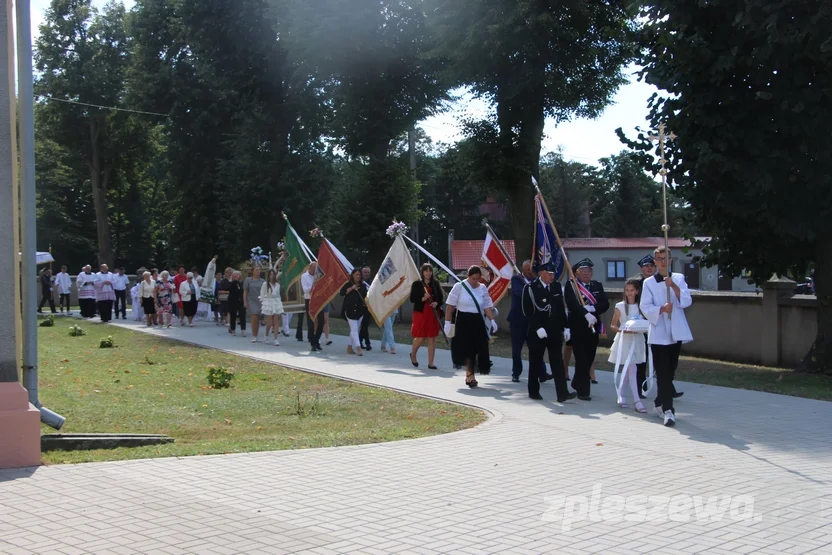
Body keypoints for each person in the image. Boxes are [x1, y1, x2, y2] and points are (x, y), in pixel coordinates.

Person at [640, 246, 693, 427]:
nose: (662, 261)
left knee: (670, 372)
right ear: (655, 261)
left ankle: (659, 403)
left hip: (675, 332)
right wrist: (661, 309)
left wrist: (673, 286)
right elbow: (645, 307)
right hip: (659, 333)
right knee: (662, 372)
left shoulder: (678, 278)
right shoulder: (648, 283)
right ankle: (668, 411)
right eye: (659, 258)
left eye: (665, 258)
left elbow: (686, 301)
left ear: (670, 260)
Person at [522, 261, 577, 402]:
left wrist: (566, 327)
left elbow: (560, 308)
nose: (552, 277)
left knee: (557, 362)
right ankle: (533, 392)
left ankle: (562, 393)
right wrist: (537, 327)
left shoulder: (557, 286)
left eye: (553, 274)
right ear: (541, 273)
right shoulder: (530, 288)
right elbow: (527, 311)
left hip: (554, 330)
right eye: (549, 274)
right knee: (535, 362)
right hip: (538, 332)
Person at [443, 266, 498, 388]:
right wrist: (447, 322)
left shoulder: (482, 288)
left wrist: (492, 320)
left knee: (478, 348)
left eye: (478, 279)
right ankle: (470, 375)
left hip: (477, 321)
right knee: (467, 349)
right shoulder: (459, 287)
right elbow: (450, 306)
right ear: (468, 276)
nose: (475, 281)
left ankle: (472, 373)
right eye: (473, 278)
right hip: (463, 321)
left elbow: (487, 306)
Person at [564, 258, 609, 400]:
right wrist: (585, 313)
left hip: (593, 327)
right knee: (581, 358)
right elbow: (572, 305)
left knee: (589, 358)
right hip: (577, 327)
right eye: (583, 271)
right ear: (576, 272)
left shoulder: (597, 285)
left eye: (589, 271)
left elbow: (605, 303)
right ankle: (584, 392)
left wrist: (592, 308)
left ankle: (577, 382)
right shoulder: (571, 286)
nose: (586, 273)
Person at [609, 278, 648, 413]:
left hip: (637, 340)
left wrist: (641, 329)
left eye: (632, 290)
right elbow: (613, 325)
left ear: (637, 291)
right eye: (627, 290)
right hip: (624, 340)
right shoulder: (620, 306)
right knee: (632, 369)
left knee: (628, 370)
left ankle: (621, 394)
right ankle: (637, 400)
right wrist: (623, 330)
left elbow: (645, 323)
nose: (629, 293)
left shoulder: (642, 306)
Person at [507, 260, 551, 383]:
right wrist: (534, 296)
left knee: (536, 348)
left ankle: (542, 373)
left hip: (532, 321)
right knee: (517, 349)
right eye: (528, 270)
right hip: (518, 320)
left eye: (532, 270)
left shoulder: (536, 281)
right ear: (523, 269)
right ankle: (516, 373)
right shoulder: (517, 279)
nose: (530, 273)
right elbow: (518, 293)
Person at [409, 263, 444, 369]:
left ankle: (431, 363)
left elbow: (441, 298)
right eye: (426, 271)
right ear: (422, 272)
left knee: (432, 338)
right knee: (420, 337)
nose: (428, 273)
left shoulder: (436, 283)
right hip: (421, 313)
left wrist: (437, 303)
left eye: (430, 271)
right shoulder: (417, 284)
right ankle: (413, 355)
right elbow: (412, 299)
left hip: (433, 313)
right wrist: (423, 298)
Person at [636, 253, 658, 398]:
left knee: (659, 357)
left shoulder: (659, 281)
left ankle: (669, 387)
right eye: (646, 266)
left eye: (652, 266)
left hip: (656, 322)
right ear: (641, 269)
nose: (649, 269)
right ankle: (640, 387)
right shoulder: (636, 283)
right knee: (641, 358)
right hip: (641, 323)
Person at [341, 268, 368, 355]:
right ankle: (358, 348)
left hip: (360, 311)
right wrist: (351, 288)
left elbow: (365, 296)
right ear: (352, 275)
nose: (358, 276)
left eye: (359, 275)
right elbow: (342, 293)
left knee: (354, 330)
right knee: (354, 329)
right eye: (356, 274)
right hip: (350, 310)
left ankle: (349, 347)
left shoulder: (363, 286)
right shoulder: (348, 284)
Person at [260, 269, 284, 346]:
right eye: (270, 274)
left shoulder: (278, 285)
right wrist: (264, 303)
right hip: (269, 303)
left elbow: (279, 295)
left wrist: (280, 304)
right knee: (269, 323)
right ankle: (266, 336)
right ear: (268, 275)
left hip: (276, 302)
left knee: (276, 322)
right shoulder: (265, 284)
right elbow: (262, 294)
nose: (272, 276)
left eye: (273, 274)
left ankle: (276, 339)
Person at [243, 266, 265, 342]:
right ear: (252, 271)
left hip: (260, 301)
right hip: (251, 300)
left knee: (258, 318)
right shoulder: (248, 280)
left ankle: (256, 334)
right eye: (256, 270)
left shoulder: (262, 281)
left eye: (259, 270)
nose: (258, 271)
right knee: (254, 316)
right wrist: (245, 301)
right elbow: (245, 291)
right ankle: (253, 335)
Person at [298, 262, 316, 342]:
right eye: (314, 268)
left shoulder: (317, 275)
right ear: (310, 267)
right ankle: (310, 337)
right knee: (310, 319)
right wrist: (314, 285)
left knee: (317, 319)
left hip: (317, 299)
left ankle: (315, 336)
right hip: (308, 299)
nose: (315, 270)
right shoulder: (304, 276)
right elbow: (305, 290)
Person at [227, 270, 246, 336]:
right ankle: (233, 330)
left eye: (238, 275)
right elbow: (230, 289)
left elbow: (243, 291)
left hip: (240, 301)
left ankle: (243, 330)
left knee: (242, 316)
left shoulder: (241, 283)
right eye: (235, 275)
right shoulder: (231, 283)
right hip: (232, 301)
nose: (236, 276)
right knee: (233, 316)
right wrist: (233, 280)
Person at [359, 266, 374, 350]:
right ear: (361, 273)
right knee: (363, 326)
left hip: (368, 307)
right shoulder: (359, 283)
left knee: (365, 325)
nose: (366, 274)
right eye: (365, 272)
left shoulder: (372, 283)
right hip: (359, 307)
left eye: (368, 272)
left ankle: (361, 342)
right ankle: (366, 343)